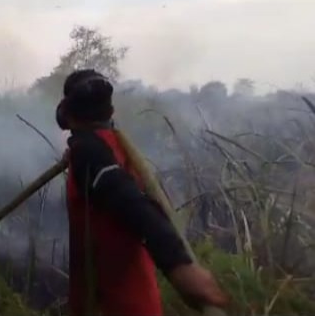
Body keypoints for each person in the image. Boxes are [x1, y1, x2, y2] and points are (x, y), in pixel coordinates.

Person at [56, 69, 229, 316]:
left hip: (113, 305)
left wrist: (179, 267)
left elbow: (129, 199)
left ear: (65, 114)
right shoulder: (108, 145)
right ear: (111, 113)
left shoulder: (89, 152)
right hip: (137, 300)